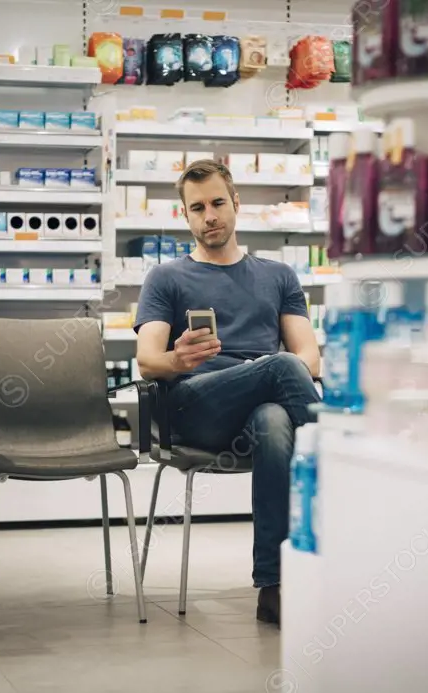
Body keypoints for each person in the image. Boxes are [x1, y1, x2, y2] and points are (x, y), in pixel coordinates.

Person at [134, 159, 321, 628]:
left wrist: (268, 372)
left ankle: (273, 587)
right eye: (197, 208)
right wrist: (178, 360)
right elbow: (147, 360)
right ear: (185, 216)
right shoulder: (167, 277)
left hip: (258, 408)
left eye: (218, 202)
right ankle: (342, 461)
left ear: (236, 203)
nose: (210, 215)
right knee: (280, 367)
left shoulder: (278, 276)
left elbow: (311, 358)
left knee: (276, 421)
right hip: (195, 406)